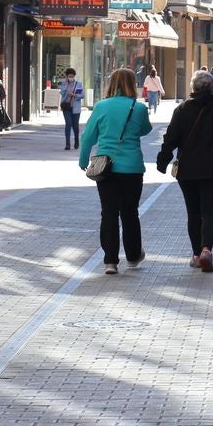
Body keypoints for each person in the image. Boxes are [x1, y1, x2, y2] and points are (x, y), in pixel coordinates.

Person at [157, 70, 213, 272]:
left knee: (193, 212)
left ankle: (197, 255)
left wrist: (162, 161)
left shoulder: (182, 110)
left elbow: (170, 138)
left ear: (193, 88)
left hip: (188, 171)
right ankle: (207, 249)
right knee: (210, 211)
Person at [78, 67, 152, 275]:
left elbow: (89, 136)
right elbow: (145, 130)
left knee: (108, 212)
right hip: (132, 168)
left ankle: (110, 261)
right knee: (130, 212)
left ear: (111, 84)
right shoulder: (138, 108)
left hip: (105, 167)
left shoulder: (101, 106)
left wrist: (84, 159)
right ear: (132, 84)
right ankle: (133, 256)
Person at [59, 67, 84, 150]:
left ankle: (76, 140)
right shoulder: (63, 84)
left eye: (72, 76)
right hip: (66, 107)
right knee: (68, 124)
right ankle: (67, 144)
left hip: (75, 108)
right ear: (66, 76)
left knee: (75, 126)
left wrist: (75, 95)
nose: (71, 78)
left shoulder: (78, 84)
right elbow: (62, 93)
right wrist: (66, 86)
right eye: (69, 76)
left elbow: (81, 95)